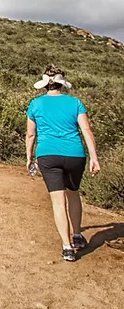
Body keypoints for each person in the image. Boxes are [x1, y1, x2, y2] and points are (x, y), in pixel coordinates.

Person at [26, 65, 101, 262]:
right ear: (62, 84)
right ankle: (77, 235)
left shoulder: (35, 104)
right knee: (73, 194)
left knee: (58, 201)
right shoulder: (75, 103)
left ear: (45, 84)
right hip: (75, 155)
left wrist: (29, 157)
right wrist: (94, 157)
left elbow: (31, 134)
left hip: (47, 155)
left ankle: (67, 247)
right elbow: (86, 130)